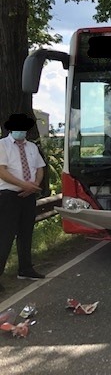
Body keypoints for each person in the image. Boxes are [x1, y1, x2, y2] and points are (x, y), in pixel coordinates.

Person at [0, 113, 47, 292]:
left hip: (28, 196)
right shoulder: (2, 145)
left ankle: (26, 269)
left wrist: (33, 185)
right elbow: (2, 171)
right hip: (8, 195)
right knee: (5, 236)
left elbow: (40, 168)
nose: (22, 132)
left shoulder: (32, 147)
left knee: (26, 233)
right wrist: (23, 185)